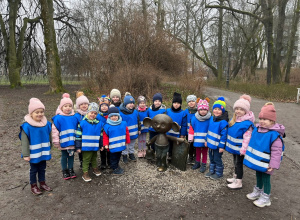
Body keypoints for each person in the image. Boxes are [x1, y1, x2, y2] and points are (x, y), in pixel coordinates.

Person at [244, 102, 285, 208]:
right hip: (259, 161)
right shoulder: (258, 130)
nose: (262, 121)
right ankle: (257, 191)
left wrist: (273, 165)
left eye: (265, 119)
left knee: (266, 179)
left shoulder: (274, 135)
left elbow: (277, 152)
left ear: (272, 121)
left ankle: (266, 197)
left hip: (268, 164)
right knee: (258, 175)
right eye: (261, 119)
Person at [20, 98, 52, 195]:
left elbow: (49, 135)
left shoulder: (46, 124)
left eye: (41, 112)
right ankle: (33, 185)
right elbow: (24, 141)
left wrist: (50, 146)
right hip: (33, 153)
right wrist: (26, 154)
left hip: (43, 151)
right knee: (34, 170)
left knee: (42, 168)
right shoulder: (27, 126)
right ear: (31, 114)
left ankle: (42, 182)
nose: (40, 114)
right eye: (36, 112)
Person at [226, 95, 255, 189]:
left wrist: (243, 150)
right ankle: (235, 177)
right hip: (235, 148)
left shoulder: (246, 124)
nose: (238, 111)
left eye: (241, 109)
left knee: (239, 164)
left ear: (246, 111)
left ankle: (239, 182)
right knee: (235, 162)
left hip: (240, 149)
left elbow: (247, 138)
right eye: (237, 109)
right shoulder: (235, 120)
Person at [52, 93, 79, 180]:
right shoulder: (58, 118)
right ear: (61, 107)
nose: (68, 108)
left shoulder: (74, 117)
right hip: (63, 142)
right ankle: (64, 170)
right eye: (65, 106)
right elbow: (55, 130)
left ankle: (71, 169)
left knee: (71, 156)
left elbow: (78, 129)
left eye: (69, 106)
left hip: (72, 141)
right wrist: (56, 141)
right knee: (64, 156)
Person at [75, 102, 103, 182]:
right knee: (86, 159)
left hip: (95, 146)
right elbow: (78, 136)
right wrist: (78, 147)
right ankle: (85, 173)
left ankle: (95, 168)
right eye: (91, 112)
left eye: (95, 113)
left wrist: (101, 145)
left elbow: (101, 136)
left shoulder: (99, 124)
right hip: (86, 146)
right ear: (88, 112)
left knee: (94, 158)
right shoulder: (82, 123)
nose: (93, 115)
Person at [205, 97, 228, 180]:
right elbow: (208, 131)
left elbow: (224, 135)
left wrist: (222, 146)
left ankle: (219, 173)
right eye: (215, 109)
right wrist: (206, 140)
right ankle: (212, 171)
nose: (217, 111)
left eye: (219, 109)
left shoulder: (223, 122)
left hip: (218, 146)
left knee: (217, 158)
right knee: (211, 158)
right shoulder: (212, 119)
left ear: (222, 111)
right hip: (210, 143)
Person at [103, 107, 131, 175]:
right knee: (113, 157)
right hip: (112, 146)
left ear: (118, 116)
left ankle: (116, 165)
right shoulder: (107, 126)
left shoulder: (123, 123)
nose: (114, 117)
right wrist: (106, 144)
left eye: (115, 115)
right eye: (112, 116)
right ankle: (114, 168)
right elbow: (105, 136)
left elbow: (126, 133)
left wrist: (127, 141)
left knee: (118, 156)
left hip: (120, 145)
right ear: (109, 117)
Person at [188, 98, 211, 173]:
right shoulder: (194, 118)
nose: (203, 111)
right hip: (197, 139)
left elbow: (211, 129)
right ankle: (197, 162)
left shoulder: (210, 119)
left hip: (205, 140)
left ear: (207, 110)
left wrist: (208, 139)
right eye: (201, 110)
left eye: (205, 110)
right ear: (198, 110)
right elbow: (192, 128)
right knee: (197, 151)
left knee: (204, 152)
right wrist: (190, 137)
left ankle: (203, 164)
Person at [166, 92, 187, 160]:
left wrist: (182, 134)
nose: (176, 105)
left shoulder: (183, 113)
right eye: (175, 103)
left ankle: (174, 156)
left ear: (180, 104)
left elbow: (184, 125)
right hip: (168, 133)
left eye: (178, 103)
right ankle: (169, 155)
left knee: (176, 145)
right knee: (168, 145)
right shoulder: (168, 111)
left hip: (177, 134)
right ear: (172, 103)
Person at [119, 93, 139, 163]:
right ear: (125, 104)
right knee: (126, 144)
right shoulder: (121, 113)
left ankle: (131, 153)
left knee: (132, 144)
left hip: (134, 132)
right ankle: (124, 155)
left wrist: (139, 129)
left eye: (132, 103)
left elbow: (138, 120)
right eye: (129, 103)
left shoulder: (135, 112)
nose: (131, 104)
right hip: (125, 133)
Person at [74, 92, 89, 169]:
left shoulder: (90, 114)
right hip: (81, 136)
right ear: (78, 106)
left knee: (88, 150)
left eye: (85, 104)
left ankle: (88, 162)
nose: (84, 105)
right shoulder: (76, 116)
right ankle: (82, 162)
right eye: (82, 104)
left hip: (89, 136)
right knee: (81, 151)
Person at [97, 97, 110, 169]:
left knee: (108, 149)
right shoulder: (98, 116)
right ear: (99, 107)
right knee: (102, 149)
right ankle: (103, 163)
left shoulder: (110, 115)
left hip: (108, 135)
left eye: (106, 106)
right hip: (101, 135)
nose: (104, 107)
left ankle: (109, 161)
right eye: (102, 106)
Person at [184, 95, 198, 164]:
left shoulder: (199, 111)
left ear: (195, 102)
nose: (191, 103)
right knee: (190, 145)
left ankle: (196, 157)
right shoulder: (186, 111)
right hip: (188, 133)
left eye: (193, 101)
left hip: (197, 133)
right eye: (189, 101)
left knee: (196, 145)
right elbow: (184, 122)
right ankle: (190, 157)